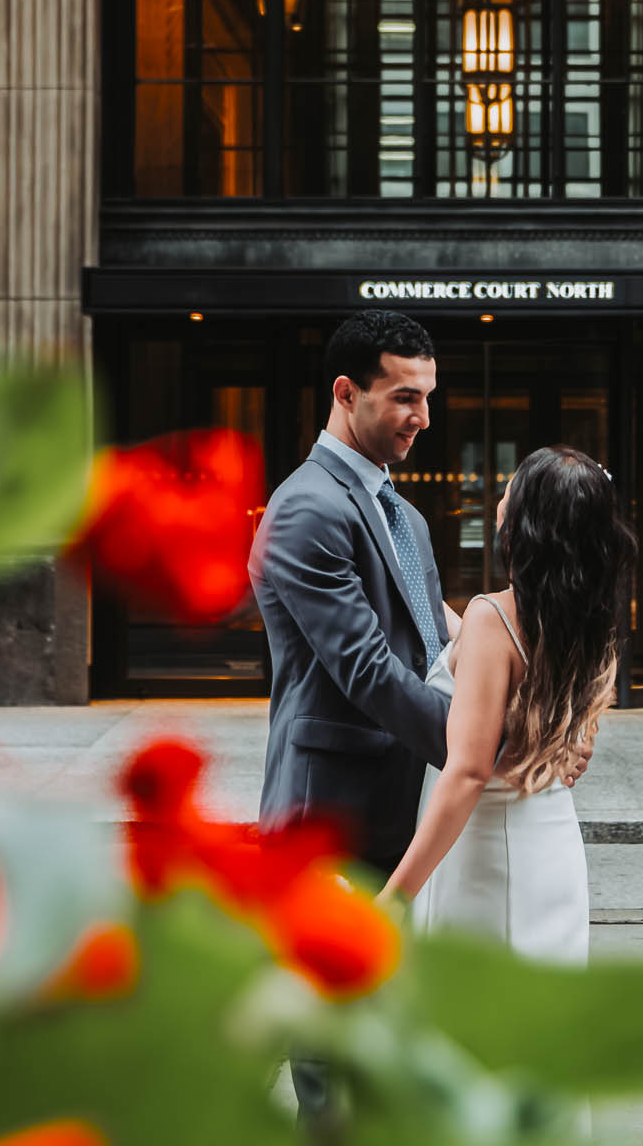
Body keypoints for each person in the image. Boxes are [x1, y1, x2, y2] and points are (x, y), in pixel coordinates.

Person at [382, 446, 636, 966]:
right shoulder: (587, 615)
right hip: (550, 842)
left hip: (487, 851)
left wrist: (393, 898)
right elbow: (477, 649)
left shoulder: (493, 617)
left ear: (527, 523)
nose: (499, 498)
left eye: (510, 490)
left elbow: (468, 773)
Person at [250, 310, 458, 880]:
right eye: (405, 398)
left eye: (427, 397)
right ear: (346, 392)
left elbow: (437, 649)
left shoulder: (407, 517)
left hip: (403, 806)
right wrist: (482, 741)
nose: (423, 418)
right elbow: (366, 668)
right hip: (330, 818)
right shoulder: (306, 508)